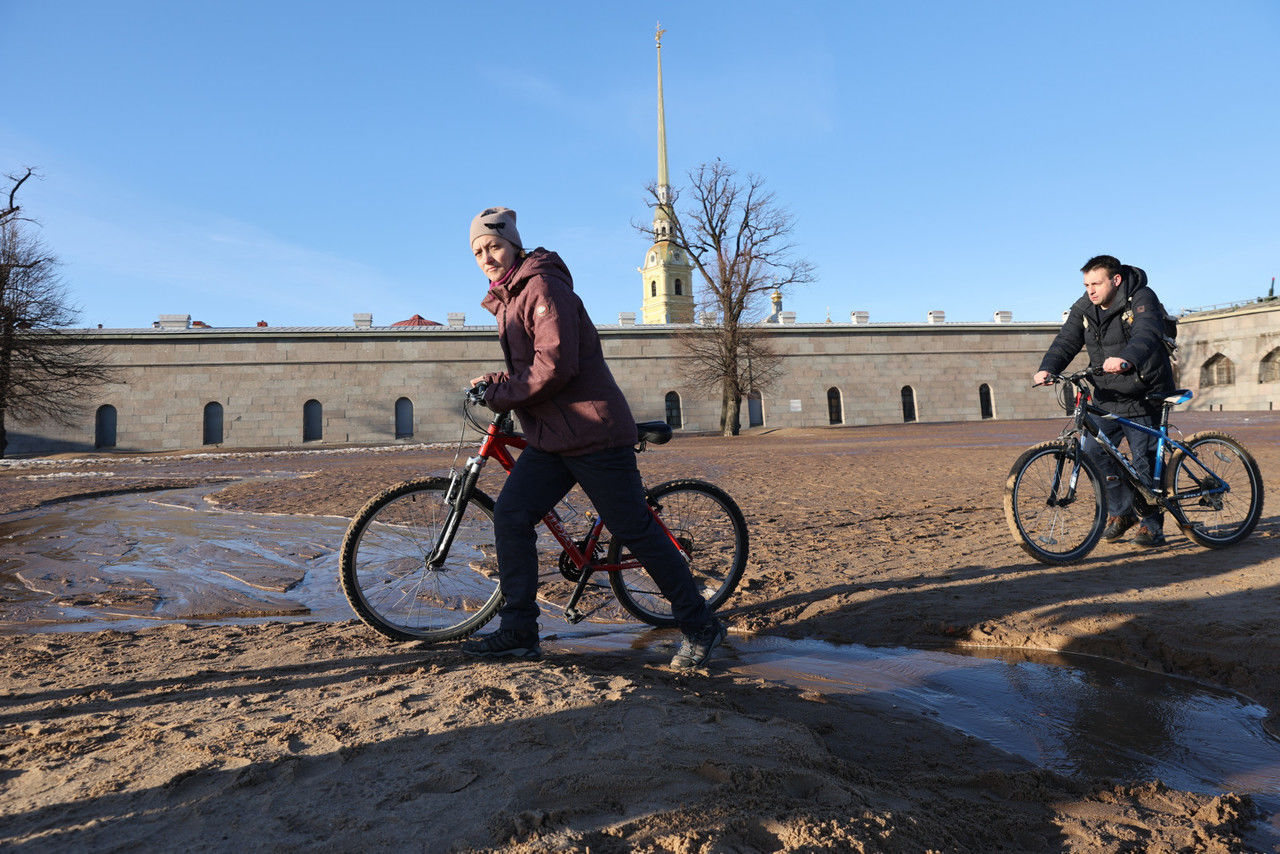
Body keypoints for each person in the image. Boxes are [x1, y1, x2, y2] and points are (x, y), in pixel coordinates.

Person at [459, 206, 727, 668]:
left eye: (494, 246)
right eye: (478, 251)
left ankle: (700, 624)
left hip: (592, 431)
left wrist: (505, 393)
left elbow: (556, 366)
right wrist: (495, 381)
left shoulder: (543, 286)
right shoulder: (511, 296)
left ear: (515, 244)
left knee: (634, 530)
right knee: (512, 514)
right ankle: (519, 629)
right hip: (554, 437)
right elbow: (533, 366)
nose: (487, 256)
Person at [1034, 254, 1176, 547]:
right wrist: (1048, 367)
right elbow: (1066, 340)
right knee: (1094, 454)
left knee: (1144, 462)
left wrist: (1126, 359)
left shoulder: (1141, 297)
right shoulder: (1085, 307)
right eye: (1086, 284)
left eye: (1096, 283)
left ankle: (1152, 526)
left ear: (1116, 280)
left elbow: (1147, 333)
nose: (1091, 290)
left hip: (1143, 391)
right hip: (1107, 395)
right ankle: (1123, 513)